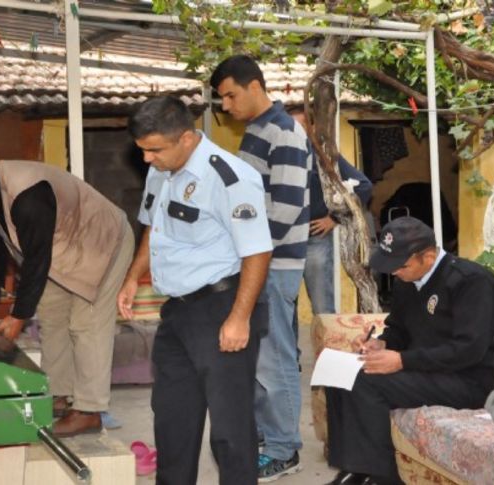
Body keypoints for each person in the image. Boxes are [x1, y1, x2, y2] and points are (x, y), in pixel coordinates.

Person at [117, 96, 272, 485]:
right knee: (172, 420)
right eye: (143, 151)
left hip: (223, 305)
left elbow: (257, 250)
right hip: (178, 311)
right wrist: (134, 275)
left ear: (186, 138)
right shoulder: (161, 170)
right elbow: (154, 225)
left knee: (230, 429)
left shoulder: (229, 177)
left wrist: (239, 318)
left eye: (154, 150)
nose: (147, 159)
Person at [0, 143, 135, 437]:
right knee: (52, 317)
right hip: (62, 252)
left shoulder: (28, 193)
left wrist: (18, 315)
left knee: (86, 324)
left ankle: (88, 410)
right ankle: (59, 395)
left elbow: (36, 259)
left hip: (102, 244)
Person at [326, 216, 494, 485]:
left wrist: (401, 361)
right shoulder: (407, 281)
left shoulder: (471, 282)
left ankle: (380, 478)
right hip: (429, 371)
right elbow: (398, 328)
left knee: (366, 383)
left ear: (428, 257)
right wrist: (383, 343)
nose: (395, 272)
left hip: (470, 380)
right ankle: (354, 469)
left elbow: (469, 350)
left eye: (400, 265)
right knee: (340, 375)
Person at [210, 54, 310, 480]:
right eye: (222, 98)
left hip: (273, 262)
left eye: (230, 95)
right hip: (256, 261)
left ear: (255, 86)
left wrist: (246, 253)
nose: (227, 106)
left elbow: (283, 210)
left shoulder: (284, 132)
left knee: (275, 360)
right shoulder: (256, 130)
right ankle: (270, 438)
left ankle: (286, 449)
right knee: (259, 360)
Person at [292, 111, 373, 316]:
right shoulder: (276, 155)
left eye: (300, 124)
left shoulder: (323, 156)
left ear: (311, 127)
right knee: (284, 307)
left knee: (323, 306)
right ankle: (289, 350)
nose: (294, 129)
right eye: (290, 124)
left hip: (315, 240)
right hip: (284, 242)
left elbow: (363, 186)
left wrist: (335, 218)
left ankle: (328, 348)